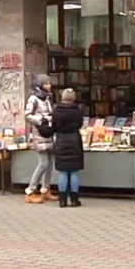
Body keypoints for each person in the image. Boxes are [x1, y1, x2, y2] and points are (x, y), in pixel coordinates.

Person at [24, 74, 58, 204]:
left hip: (49, 132)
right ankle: (30, 190)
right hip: (40, 132)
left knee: (50, 164)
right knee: (43, 163)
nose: (49, 86)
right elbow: (28, 115)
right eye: (46, 84)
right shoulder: (34, 98)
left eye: (49, 83)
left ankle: (46, 189)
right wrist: (41, 120)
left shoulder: (48, 97)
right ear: (40, 85)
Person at [50, 89, 84, 208]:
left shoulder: (56, 110)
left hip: (61, 141)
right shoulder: (77, 111)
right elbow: (80, 124)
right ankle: (74, 200)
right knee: (74, 171)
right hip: (74, 140)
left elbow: (53, 126)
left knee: (63, 172)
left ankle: (62, 200)